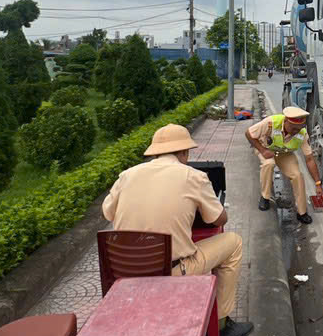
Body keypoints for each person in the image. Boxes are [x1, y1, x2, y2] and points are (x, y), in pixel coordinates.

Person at [102, 124, 253, 336]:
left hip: (125, 272)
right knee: (234, 242)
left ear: (155, 152)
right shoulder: (193, 176)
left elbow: (107, 213)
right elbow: (219, 218)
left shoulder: (126, 175)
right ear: (184, 152)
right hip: (172, 272)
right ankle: (221, 324)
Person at [246, 106, 323, 224]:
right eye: (293, 128)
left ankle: (302, 213)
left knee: (297, 175)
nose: (295, 132)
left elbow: (309, 159)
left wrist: (318, 184)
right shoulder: (271, 122)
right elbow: (249, 133)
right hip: (267, 150)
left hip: (285, 154)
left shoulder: (302, 133)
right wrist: (262, 150)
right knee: (269, 164)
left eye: (299, 129)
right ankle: (265, 197)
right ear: (286, 121)